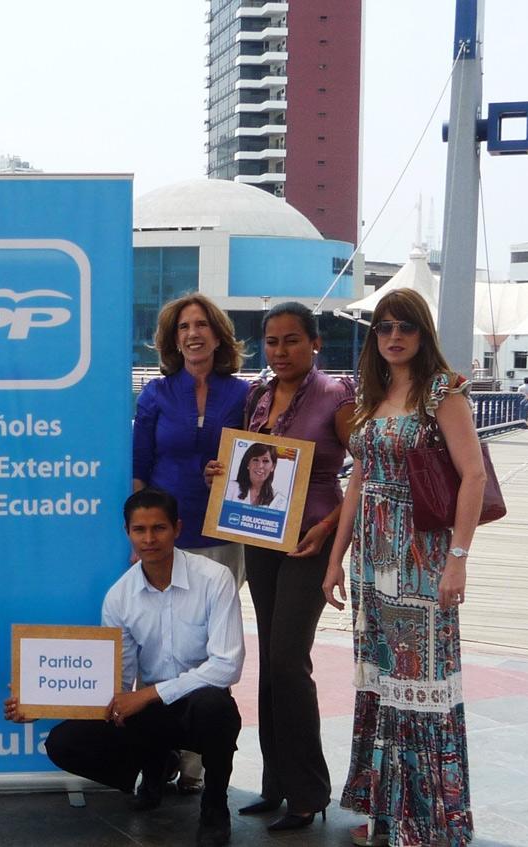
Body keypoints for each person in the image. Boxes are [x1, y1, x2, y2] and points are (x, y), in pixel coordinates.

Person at [324, 289, 484, 847]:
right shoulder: (373, 393)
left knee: (421, 679)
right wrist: (335, 559)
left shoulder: (444, 391)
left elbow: (474, 476)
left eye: (406, 327)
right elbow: (358, 481)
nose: (394, 336)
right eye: (385, 327)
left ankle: (428, 819)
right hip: (373, 560)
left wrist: (458, 561)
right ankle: (387, 813)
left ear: (423, 333)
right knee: (383, 679)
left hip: (421, 559)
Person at [4, 488, 244, 847]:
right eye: (139, 530)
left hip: (199, 704)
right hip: (151, 711)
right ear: (127, 532)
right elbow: (113, 681)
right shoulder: (119, 596)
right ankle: (157, 765)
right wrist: (41, 704)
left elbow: (227, 666)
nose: (149, 539)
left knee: (216, 707)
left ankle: (214, 806)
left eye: (159, 528)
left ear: (177, 529)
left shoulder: (215, 579)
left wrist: (148, 694)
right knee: (63, 743)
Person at [206, 301, 355, 832]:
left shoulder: (337, 395)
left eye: (292, 340)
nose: (281, 350)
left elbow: (369, 472)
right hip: (262, 535)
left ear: (315, 342)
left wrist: (331, 527)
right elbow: (249, 461)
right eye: (272, 341)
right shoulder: (259, 396)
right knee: (271, 658)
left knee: (290, 661)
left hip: (311, 540)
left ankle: (309, 792)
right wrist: (220, 472)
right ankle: (276, 784)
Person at [132, 293, 248, 794]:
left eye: (201, 325)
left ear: (218, 336)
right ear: (172, 340)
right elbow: (139, 470)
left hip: (223, 535)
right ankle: (156, 756)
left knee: (208, 647)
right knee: (157, 646)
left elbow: (260, 460)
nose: (193, 334)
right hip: (162, 538)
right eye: (183, 327)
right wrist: (139, 540)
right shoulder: (155, 394)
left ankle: (197, 765)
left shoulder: (243, 394)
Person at [223, 443, 288, 511]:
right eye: (255, 460)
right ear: (248, 464)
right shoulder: (229, 487)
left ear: (273, 467)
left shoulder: (279, 500)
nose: (260, 466)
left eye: (265, 461)